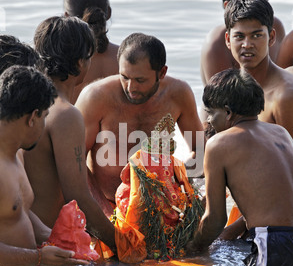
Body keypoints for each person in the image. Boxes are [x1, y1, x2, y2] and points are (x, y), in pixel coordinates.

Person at [187, 68, 293, 266]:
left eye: (211, 113)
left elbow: (215, 218)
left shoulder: (219, 144)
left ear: (228, 113)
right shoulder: (280, 133)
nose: (209, 121)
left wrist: (193, 247)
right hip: (289, 238)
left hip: (275, 245)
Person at [75, 32, 203, 217]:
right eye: (124, 77)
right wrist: (105, 211)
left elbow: (200, 151)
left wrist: (175, 185)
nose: (131, 88)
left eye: (140, 80)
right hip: (107, 206)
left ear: (162, 72)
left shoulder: (179, 93)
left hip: (160, 206)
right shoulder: (95, 97)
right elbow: (75, 161)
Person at [23, 16, 116, 255]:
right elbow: (78, 196)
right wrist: (122, 244)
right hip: (50, 248)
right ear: (80, 64)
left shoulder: (24, 104)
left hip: (24, 237)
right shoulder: (65, 114)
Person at [0, 65, 89, 266]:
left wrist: (55, 237)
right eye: (44, 118)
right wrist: (38, 258)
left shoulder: (16, 153)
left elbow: (19, 212)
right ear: (33, 118)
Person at [224, 0, 293, 151]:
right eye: (239, 36)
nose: (247, 44)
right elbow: (199, 142)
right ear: (228, 40)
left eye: (256, 35)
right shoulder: (226, 88)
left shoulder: (285, 94)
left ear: (271, 37)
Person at [200, 0, 285, 86]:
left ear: (271, 36)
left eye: (264, 2)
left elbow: (283, 76)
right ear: (228, 6)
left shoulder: (274, 25)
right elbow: (223, 100)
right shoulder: (215, 44)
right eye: (253, 2)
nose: (260, 9)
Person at [63, 0, 119, 103]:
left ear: (67, 17)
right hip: (122, 123)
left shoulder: (61, 64)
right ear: (108, 12)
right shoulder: (126, 58)